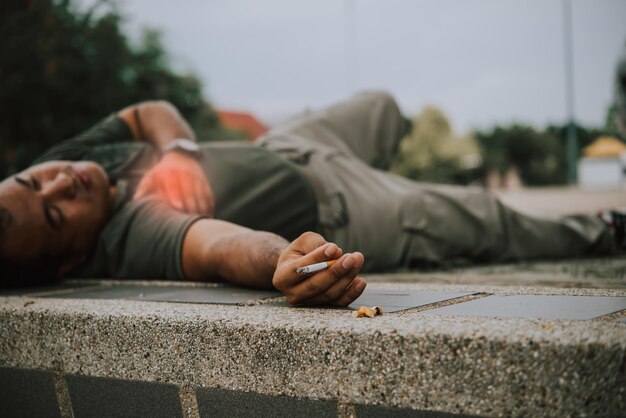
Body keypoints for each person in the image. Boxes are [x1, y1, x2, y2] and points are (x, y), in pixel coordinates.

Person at [0, 91, 622, 305]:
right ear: (70, 263)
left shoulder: (72, 163)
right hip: (345, 207)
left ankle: (399, 177)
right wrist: (281, 261)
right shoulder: (130, 232)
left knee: (382, 106)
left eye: (36, 178)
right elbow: (219, 248)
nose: (60, 182)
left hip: (292, 145)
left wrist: (180, 149)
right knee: (488, 219)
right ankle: (603, 226)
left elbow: (146, 112)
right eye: (57, 212)